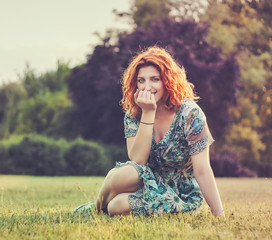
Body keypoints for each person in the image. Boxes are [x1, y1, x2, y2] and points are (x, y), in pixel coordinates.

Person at [73, 46, 225, 217]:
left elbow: (202, 170)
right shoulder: (133, 113)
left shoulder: (190, 114)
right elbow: (138, 161)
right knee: (123, 173)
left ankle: (99, 209)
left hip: (180, 195)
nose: (147, 86)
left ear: (168, 81)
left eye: (154, 79)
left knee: (116, 206)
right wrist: (148, 113)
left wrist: (219, 215)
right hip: (148, 183)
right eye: (141, 80)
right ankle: (97, 209)